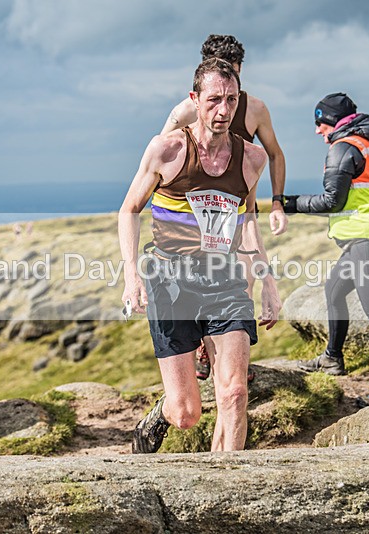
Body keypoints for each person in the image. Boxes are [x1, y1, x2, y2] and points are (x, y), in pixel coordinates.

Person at [120, 58, 281, 453]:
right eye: (213, 100)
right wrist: (132, 277)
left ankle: (227, 492)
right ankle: (161, 412)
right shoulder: (167, 150)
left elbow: (247, 221)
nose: (223, 111)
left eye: (230, 100)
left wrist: (268, 282)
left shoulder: (251, 160)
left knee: (234, 394)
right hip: (170, 281)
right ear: (195, 100)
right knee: (186, 413)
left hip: (223, 280)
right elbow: (129, 211)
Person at [161, 34, 288, 381]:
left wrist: (277, 202)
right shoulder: (185, 111)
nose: (224, 106)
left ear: (240, 70)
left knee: (243, 281)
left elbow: (275, 154)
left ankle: (233, 361)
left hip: (238, 207)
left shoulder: (256, 108)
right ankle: (204, 349)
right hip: (194, 218)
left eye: (232, 73)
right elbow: (157, 160)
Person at [282, 93, 369, 394]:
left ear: (332, 121)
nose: (317, 131)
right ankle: (332, 359)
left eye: (319, 123)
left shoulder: (343, 147)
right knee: (333, 290)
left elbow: (332, 201)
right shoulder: (363, 143)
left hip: (368, 238)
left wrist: (289, 204)